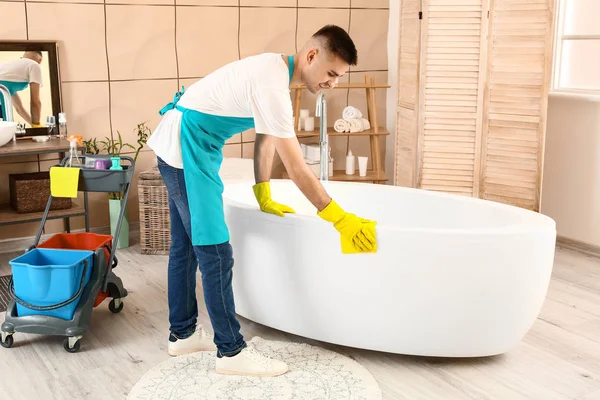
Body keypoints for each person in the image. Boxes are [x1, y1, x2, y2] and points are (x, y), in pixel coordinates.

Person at [147, 24, 377, 377]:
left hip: (183, 146)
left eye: (339, 77)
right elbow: (298, 169)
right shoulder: (272, 85)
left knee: (186, 248)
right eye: (331, 73)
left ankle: (183, 333)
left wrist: (263, 190)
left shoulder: (275, 70)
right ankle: (231, 351)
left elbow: (266, 136)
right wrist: (338, 217)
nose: (333, 84)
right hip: (185, 152)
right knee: (215, 252)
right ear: (311, 56)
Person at [0, 51, 43, 126]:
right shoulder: (34, 65)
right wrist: (38, 128)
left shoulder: (8, 68)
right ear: (40, 60)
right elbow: (35, 102)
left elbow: (19, 108)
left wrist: (33, 125)